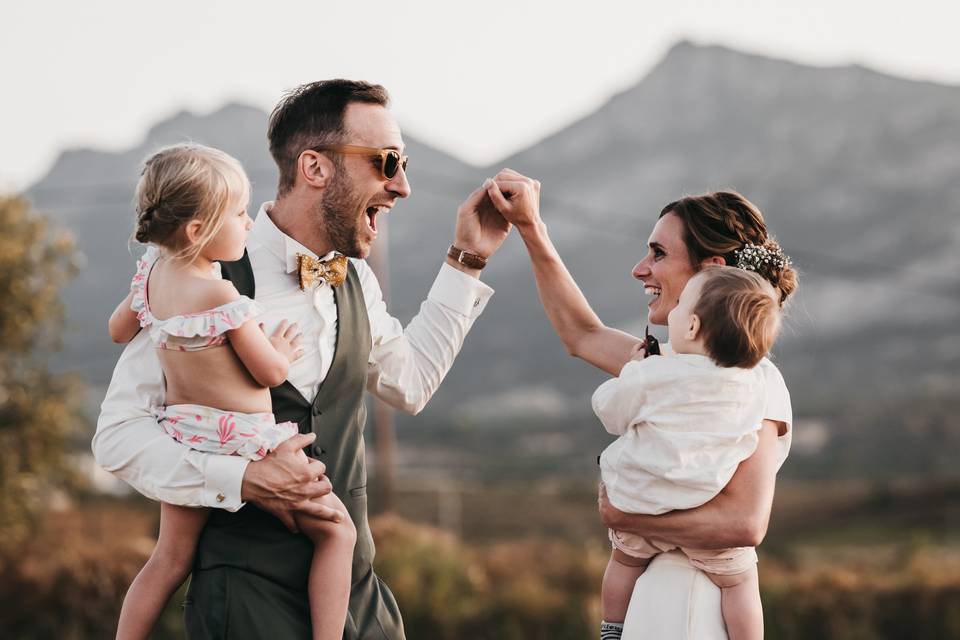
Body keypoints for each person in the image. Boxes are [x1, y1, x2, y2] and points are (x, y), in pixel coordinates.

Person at [94, 80, 511, 639]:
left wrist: (467, 261)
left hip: (357, 605)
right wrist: (242, 476)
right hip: (242, 602)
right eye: (387, 162)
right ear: (314, 167)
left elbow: (409, 384)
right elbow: (118, 438)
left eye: (403, 163)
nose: (403, 186)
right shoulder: (195, 272)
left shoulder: (357, 279)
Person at [483, 172, 796, 639]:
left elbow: (745, 523)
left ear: (710, 270)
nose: (640, 269)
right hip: (653, 601)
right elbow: (582, 334)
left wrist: (624, 514)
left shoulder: (754, 381)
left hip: (693, 606)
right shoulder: (663, 369)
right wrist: (531, 228)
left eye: (658, 254)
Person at [106, 143, 357, 640]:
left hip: (185, 435)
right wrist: (281, 349)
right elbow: (266, 373)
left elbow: (118, 329)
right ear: (198, 232)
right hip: (247, 441)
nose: (248, 222)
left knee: (169, 557)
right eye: (239, 213)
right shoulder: (224, 295)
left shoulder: (151, 276)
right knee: (338, 532)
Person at [595, 266, 784, 640]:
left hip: (642, 505)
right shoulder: (753, 385)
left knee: (622, 563)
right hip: (707, 515)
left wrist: (633, 371)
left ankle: (610, 629)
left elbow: (608, 410)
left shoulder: (655, 373)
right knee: (740, 583)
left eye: (681, 304)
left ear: (693, 327)